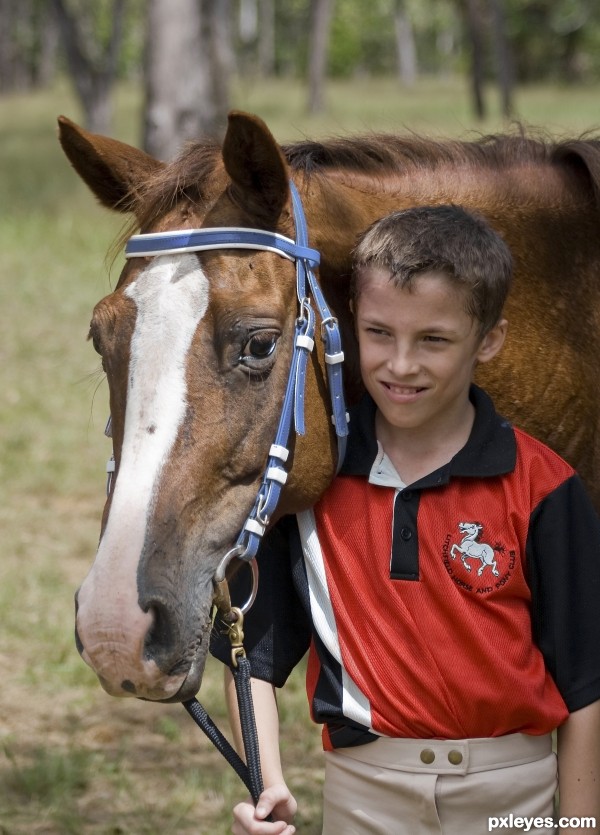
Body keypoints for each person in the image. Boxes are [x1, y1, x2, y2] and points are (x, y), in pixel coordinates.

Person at [211, 205, 600, 835]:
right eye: (379, 333)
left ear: (489, 340)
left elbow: (587, 686)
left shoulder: (544, 487)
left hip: (515, 797)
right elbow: (251, 653)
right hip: (364, 794)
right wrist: (267, 784)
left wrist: (581, 825)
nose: (400, 364)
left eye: (434, 340)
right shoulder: (312, 481)